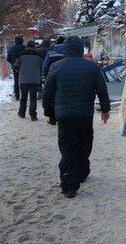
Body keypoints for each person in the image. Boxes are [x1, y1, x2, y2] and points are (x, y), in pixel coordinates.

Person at [42, 36, 110, 199]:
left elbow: (47, 92)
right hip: (85, 114)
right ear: (81, 49)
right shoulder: (92, 67)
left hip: (64, 116)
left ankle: (69, 185)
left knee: (67, 148)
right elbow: (102, 90)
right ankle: (82, 172)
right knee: (85, 143)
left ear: (65, 49)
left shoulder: (56, 67)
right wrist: (105, 110)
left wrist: (49, 111)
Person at [15, 40, 43, 120]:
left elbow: (16, 66)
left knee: (23, 97)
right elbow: (42, 66)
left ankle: (22, 113)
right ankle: (33, 115)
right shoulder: (38, 55)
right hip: (35, 79)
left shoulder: (20, 55)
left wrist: (21, 72)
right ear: (34, 46)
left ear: (26, 46)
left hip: (23, 79)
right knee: (33, 97)